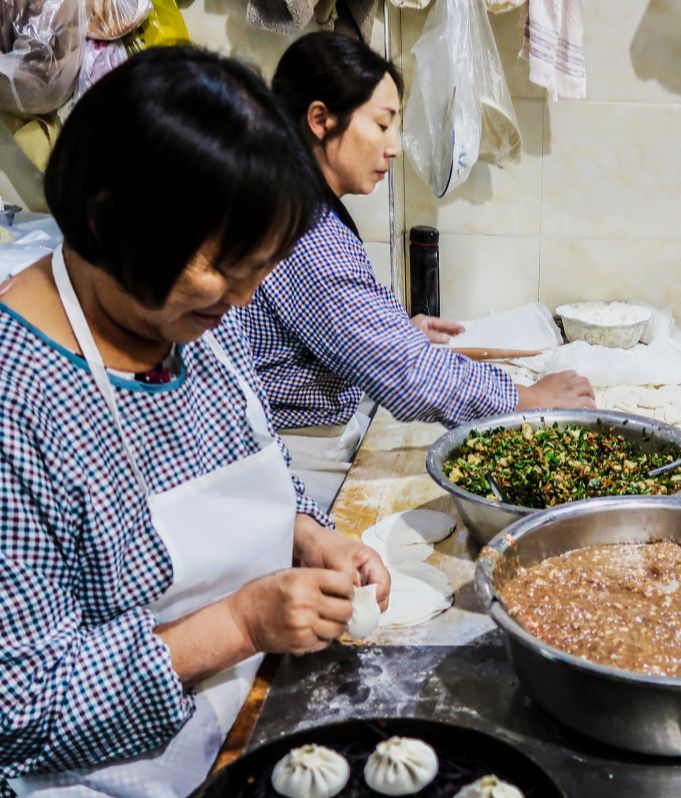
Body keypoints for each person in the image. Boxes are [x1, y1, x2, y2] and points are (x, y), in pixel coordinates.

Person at [0, 49, 389, 796]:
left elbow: (250, 465)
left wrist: (311, 536)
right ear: (108, 221)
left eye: (262, 269)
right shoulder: (19, 400)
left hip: (241, 724)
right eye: (225, 267)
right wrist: (240, 626)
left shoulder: (197, 319)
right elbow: (21, 711)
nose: (243, 300)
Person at [239, 32, 593, 510]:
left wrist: (390, 331)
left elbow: (334, 330)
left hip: (315, 429)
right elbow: (406, 374)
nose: (395, 147)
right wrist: (528, 398)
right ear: (320, 119)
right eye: (382, 125)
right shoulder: (303, 228)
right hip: (299, 453)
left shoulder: (295, 200)